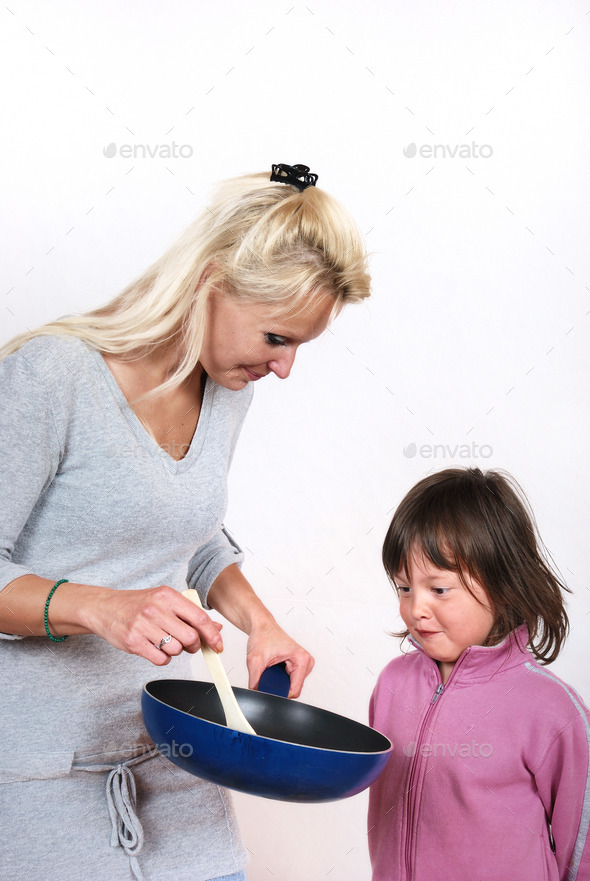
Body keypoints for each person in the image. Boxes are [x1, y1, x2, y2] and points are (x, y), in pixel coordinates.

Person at [0, 163, 371, 881]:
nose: (285, 366)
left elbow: (191, 532)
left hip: (175, 759)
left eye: (299, 345)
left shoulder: (228, 384)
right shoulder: (53, 377)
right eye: (275, 336)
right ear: (210, 283)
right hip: (44, 776)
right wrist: (101, 606)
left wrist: (259, 619)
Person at [368, 467, 590, 881]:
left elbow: (583, 841)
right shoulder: (393, 684)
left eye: (439, 589)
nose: (416, 608)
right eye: (404, 588)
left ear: (501, 583)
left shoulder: (550, 710)